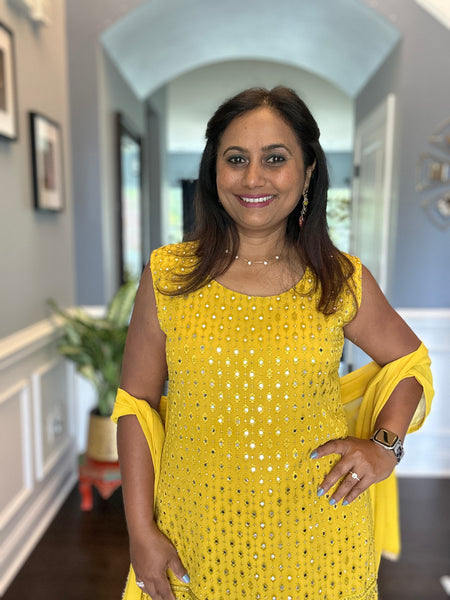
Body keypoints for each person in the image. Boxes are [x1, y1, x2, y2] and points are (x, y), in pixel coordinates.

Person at [112, 87, 433, 600]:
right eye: (236, 159)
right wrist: (139, 530)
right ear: (214, 170)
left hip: (321, 538)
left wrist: (385, 447)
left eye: (276, 159)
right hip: (195, 535)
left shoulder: (339, 279)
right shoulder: (169, 276)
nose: (253, 178)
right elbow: (136, 405)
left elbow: (409, 363)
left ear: (307, 173)